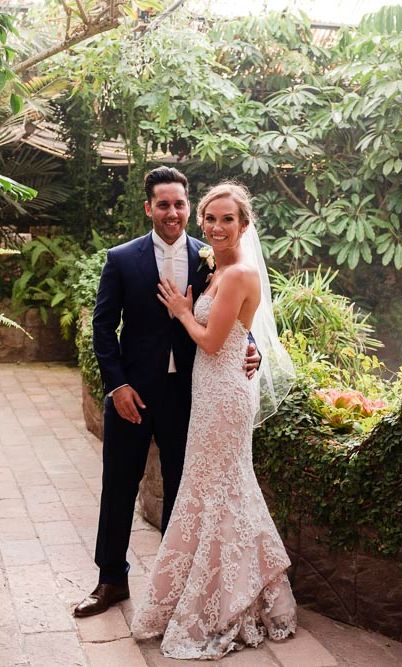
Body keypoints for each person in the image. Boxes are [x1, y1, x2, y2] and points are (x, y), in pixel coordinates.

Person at [73, 168, 261, 618]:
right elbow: (102, 328)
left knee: (184, 490)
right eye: (163, 205)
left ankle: (177, 585)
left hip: (190, 396)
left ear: (186, 206)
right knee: (119, 486)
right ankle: (110, 580)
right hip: (132, 395)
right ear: (149, 208)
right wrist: (116, 385)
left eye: (179, 204)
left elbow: (233, 319)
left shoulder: (209, 256)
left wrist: (251, 349)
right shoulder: (121, 259)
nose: (172, 212)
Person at [130, 181, 297, 660]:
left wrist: (183, 311)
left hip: (223, 396)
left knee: (221, 490)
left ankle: (230, 602)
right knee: (218, 490)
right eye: (211, 218)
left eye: (228, 219)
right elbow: (239, 335)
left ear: (245, 225)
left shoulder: (240, 274)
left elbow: (210, 339)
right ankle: (241, 588)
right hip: (209, 393)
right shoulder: (216, 268)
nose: (217, 226)